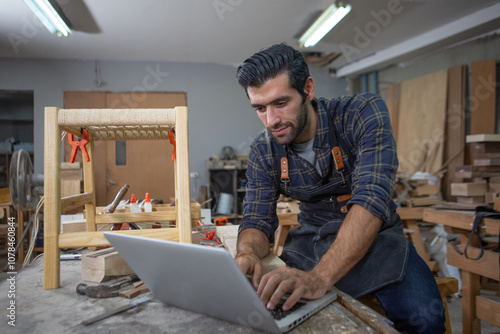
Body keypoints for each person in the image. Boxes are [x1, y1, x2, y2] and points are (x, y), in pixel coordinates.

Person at [234, 43, 445, 333]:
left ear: (308, 89)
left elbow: (372, 199)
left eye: (281, 103)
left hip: (378, 243)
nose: (271, 121)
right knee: (277, 317)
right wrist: (246, 253)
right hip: (311, 243)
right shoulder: (263, 151)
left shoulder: (361, 114)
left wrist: (318, 279)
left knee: (426, 318)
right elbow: (257, 219)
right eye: (260, 108)